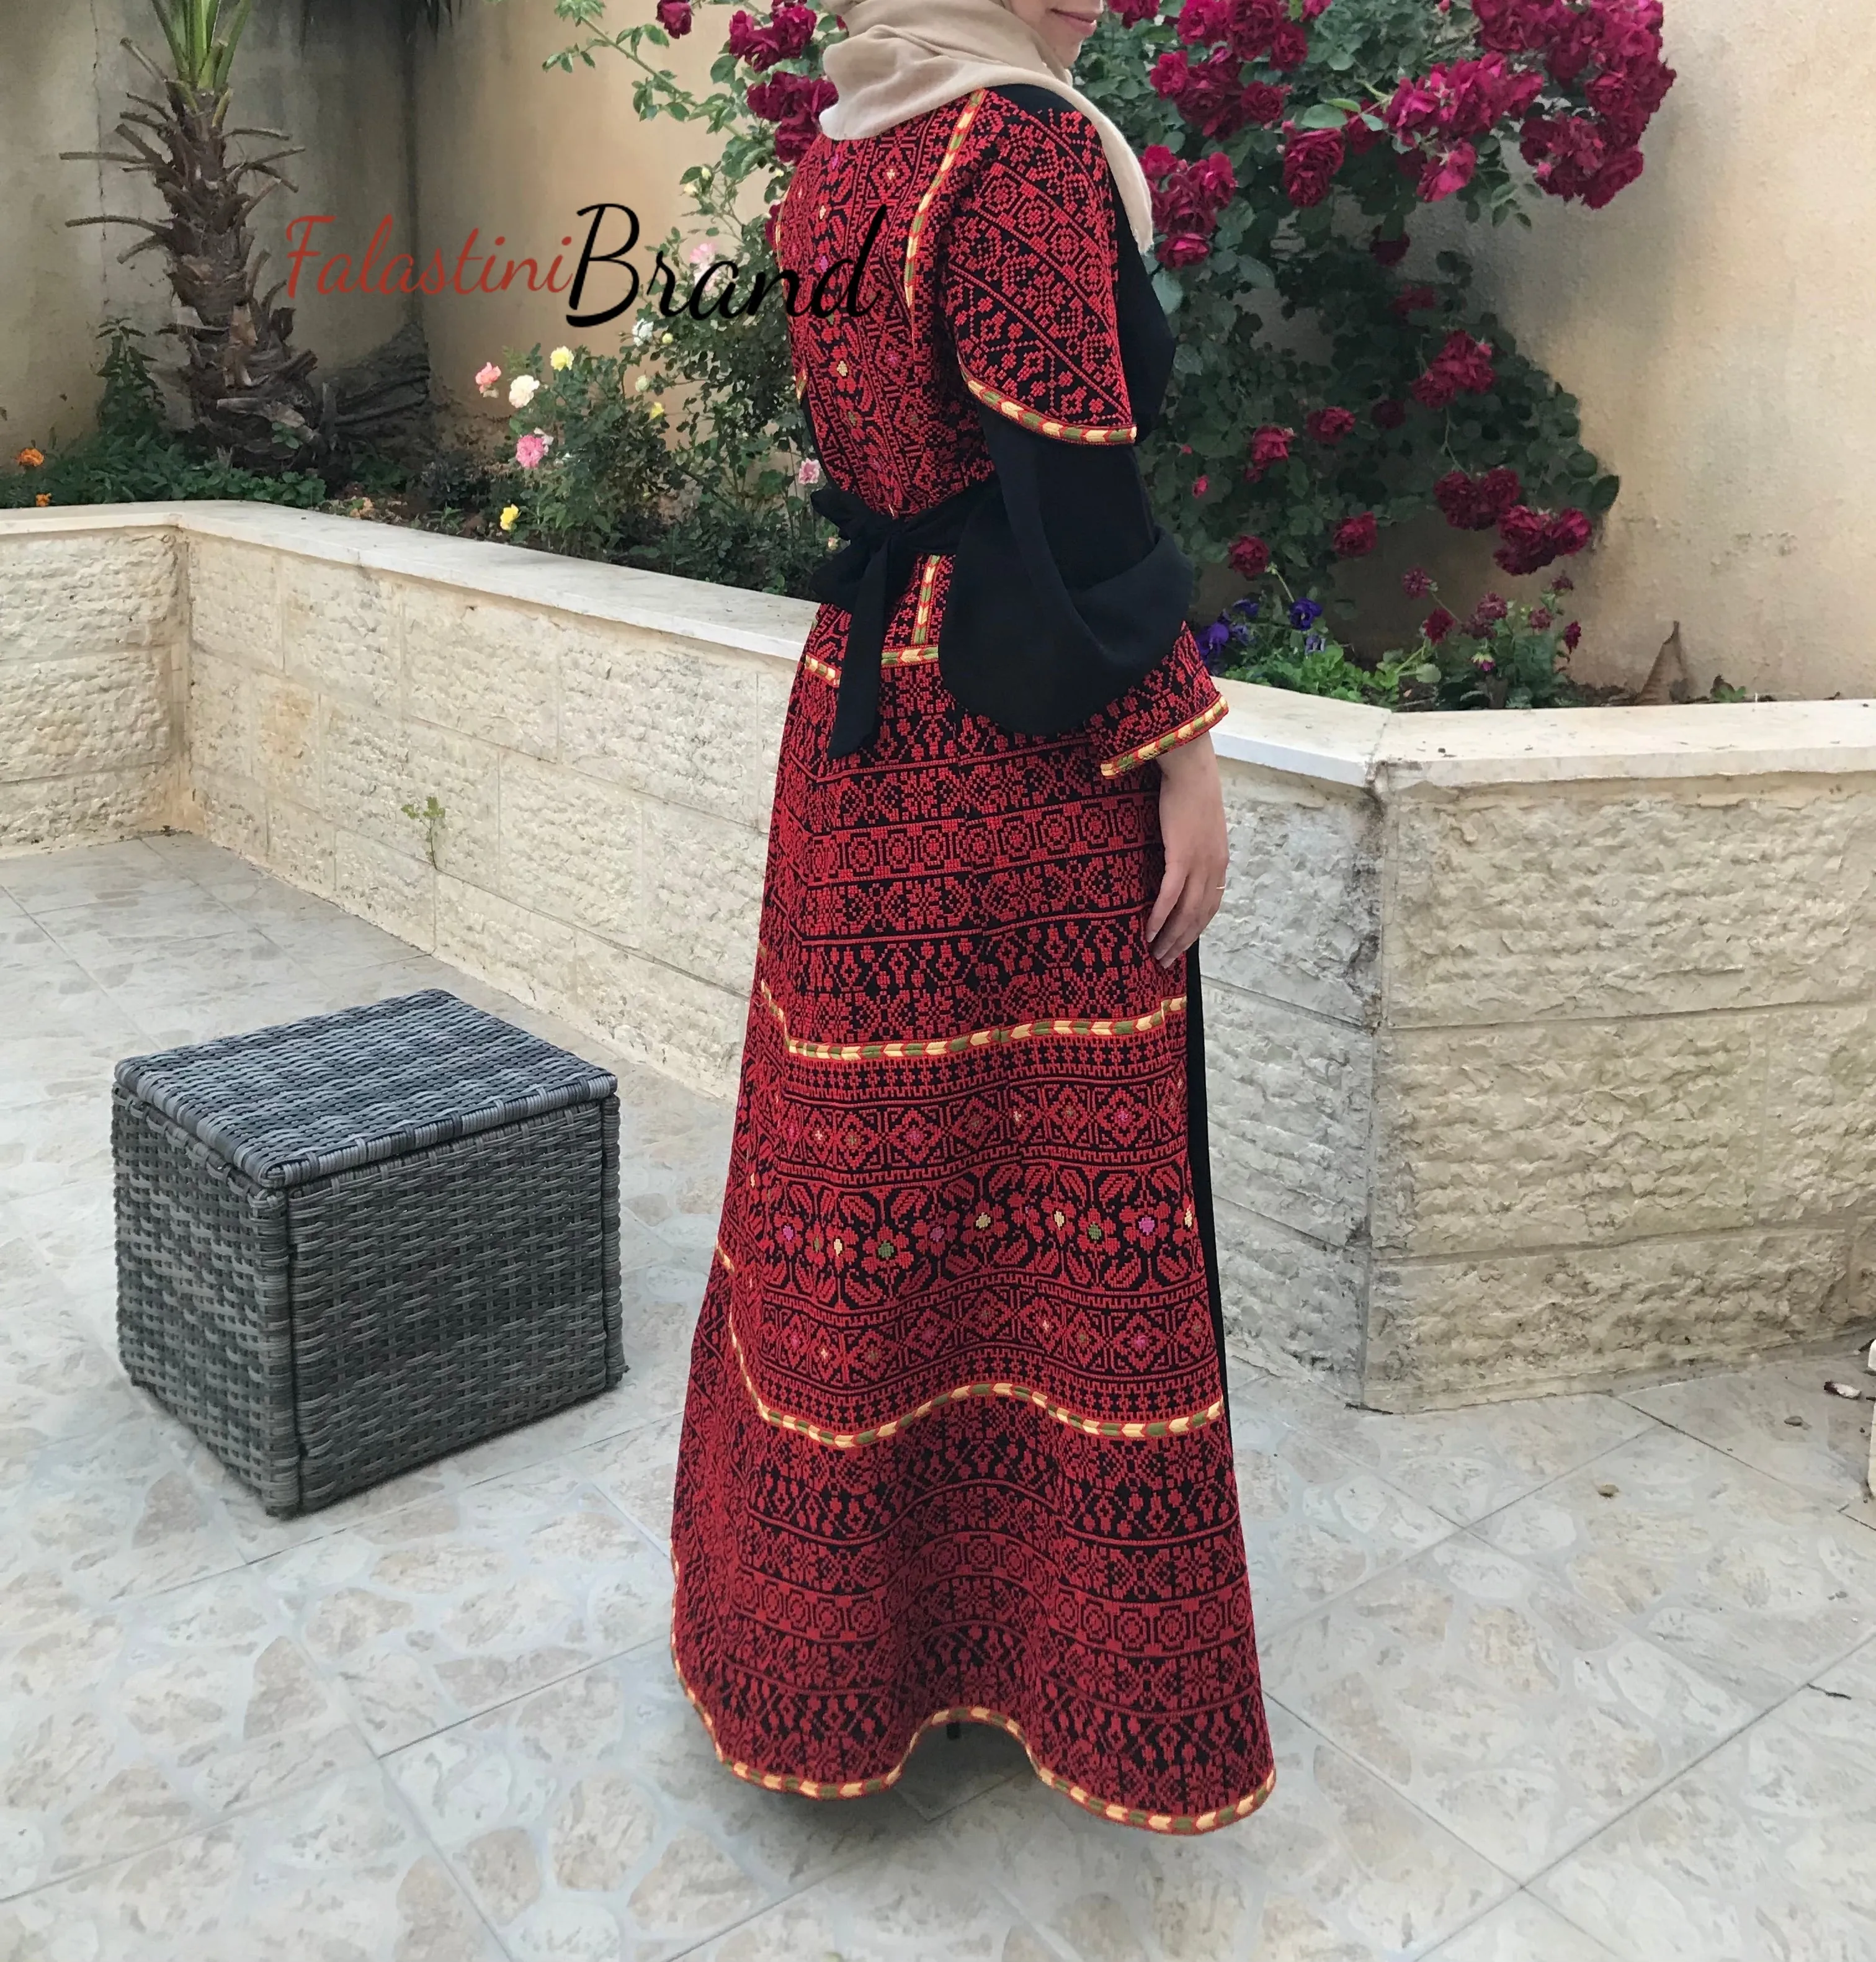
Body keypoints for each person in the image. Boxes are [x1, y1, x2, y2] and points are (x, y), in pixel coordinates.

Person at [668, 0, 1275, 1834]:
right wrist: (1181, 742)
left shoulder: (841, 143)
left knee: (872, 1176)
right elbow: (1071, 503)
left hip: (865, 704)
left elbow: (906, 451)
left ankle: (840, 1650)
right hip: (1008, 742)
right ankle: (1036, 1663)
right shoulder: (1007, 151)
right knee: (1053, 1195)